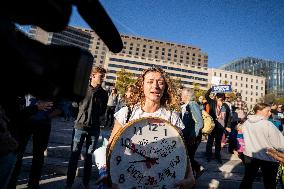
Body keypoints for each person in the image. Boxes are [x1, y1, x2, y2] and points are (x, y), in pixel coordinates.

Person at [105, 66, 195, 189]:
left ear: (165, 88)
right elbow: (111, 147)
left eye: (161, 82)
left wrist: (190, 177)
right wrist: (109, 174)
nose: (156, 86)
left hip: (161, 179)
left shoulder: (172, 117)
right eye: (150, 81)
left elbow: (181, 151)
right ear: (142, 85)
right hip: (129, 177)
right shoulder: (126, 113)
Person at [65, 67, 108, 189]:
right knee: (74, 155)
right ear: (92, 76)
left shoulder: (104, 94)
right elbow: (73, 106)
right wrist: (80, 118)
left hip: (94, 129)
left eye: (103, 76)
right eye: (100, 76)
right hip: (79, 127)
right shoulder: (82, 90)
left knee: (89, 157)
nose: (102, 78)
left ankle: (85, 183)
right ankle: (69, 183)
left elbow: (102, 111)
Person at [8, 95, 62, 189]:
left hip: (43, 124)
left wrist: (48, 116)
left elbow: (62, 106)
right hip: (25, 121)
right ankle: (11, 182)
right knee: (18, 153)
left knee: (38, 155)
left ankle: (33, 184)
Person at [239, 103, 284, 189]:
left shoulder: (246, 122)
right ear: (259, 111)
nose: (270, 113)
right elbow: (279, 144)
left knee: (247, 180)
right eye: (268, 111)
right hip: (268, 156)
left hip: (250, 155)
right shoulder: (268, 124)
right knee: (270, 183)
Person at [181, 87, 204, 178]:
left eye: (182, 94)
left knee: (188, 157)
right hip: (187, 137)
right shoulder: (186, 105)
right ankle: (196, 170)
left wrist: (193, 136)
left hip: (192, 137)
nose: (181, 96)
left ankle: (192, 176)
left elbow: (199, 122)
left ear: (187, 95)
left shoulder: (192, 104)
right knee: (187, 157)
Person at [205, 88, 230, 164]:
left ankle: (217, 155)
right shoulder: (212, 102)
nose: (220, 98)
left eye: (221, 96)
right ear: (216, 97)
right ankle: (208, 155)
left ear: (223, 98)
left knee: (218, 142)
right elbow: (206, 95)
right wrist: (212, 88)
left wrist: (228, 126)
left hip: (221, 126)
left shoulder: (225, 105)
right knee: (210, 140)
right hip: (212, 125)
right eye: (219, 96)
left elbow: (228, 116)